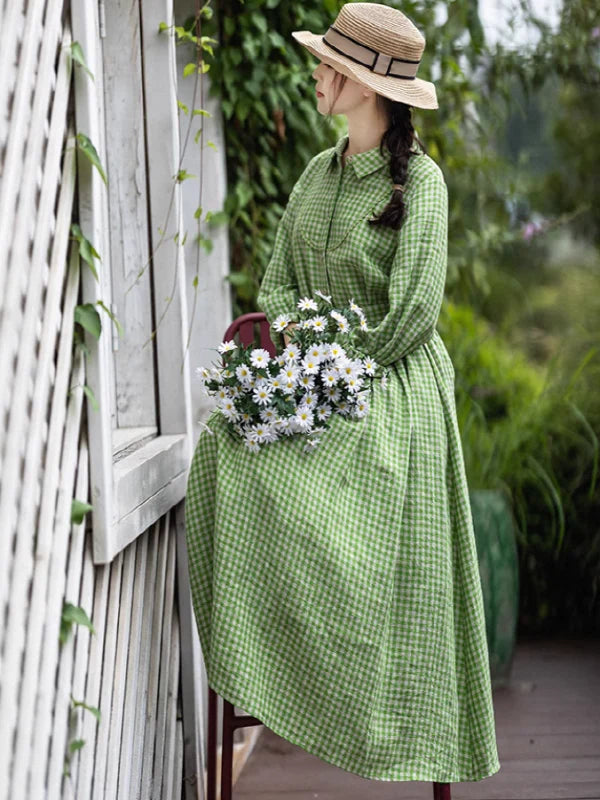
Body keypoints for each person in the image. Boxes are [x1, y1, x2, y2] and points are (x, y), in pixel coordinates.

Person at [185, 1, 501, 785]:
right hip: (313, 379)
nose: (318, 76)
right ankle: (277, 659)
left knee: (326, 487)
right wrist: (302, 355)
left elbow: (410, 315)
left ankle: (342, 675)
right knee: (224, 450)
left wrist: (329, 361)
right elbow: (277, 287)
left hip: (392, 390)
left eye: (330, 66)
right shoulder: (313, 179)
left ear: (364, 85)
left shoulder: (421, 187)